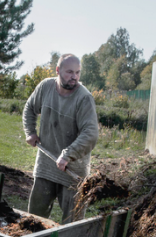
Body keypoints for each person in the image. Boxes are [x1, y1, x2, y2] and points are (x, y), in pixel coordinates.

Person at [22, 53, 99, 224]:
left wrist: (68, 154)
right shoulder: (46, 87)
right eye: (69, 72)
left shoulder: (84, 98)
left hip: (73, 171)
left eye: (78, 73)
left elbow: (91, 133)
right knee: (34, 217)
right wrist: (30, 132)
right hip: (46, 164)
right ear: (57, 70)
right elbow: (29, 108)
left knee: (72, 223)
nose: (74, 77)